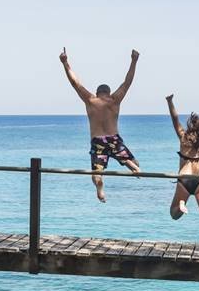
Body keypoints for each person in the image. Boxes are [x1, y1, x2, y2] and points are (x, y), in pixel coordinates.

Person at [59, 47, 142, 202]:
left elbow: (75, 83)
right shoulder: (115, 100)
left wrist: (65, 63)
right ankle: (131, 164)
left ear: (97, 93)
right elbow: (127, 82)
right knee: (134, 162)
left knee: (97, 173)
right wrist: (134, 61)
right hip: (114, 140)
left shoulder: (91, 100)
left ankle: (100, 189)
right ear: (109, 93)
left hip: (98, 142)